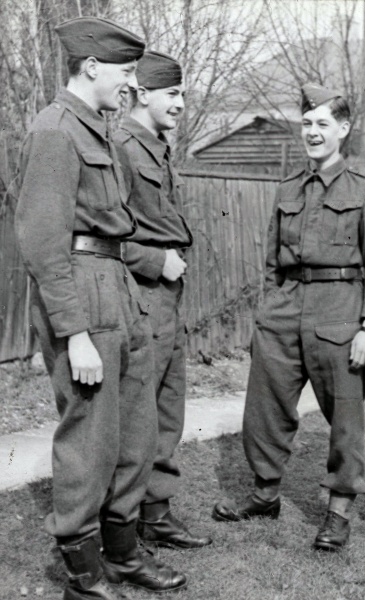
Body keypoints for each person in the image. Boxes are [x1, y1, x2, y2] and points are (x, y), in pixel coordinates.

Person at [16, 17, 187, 600]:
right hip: (82, 291)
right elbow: (42, 241)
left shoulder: (99, 130)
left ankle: (122, 555)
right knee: (90, 438)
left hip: (120, 286)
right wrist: (75, 333)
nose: (131, 84)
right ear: (91, 67)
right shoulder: (55, 130)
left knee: (135, 434)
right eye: (124, 72)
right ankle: (84, 576)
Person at [212, 83, 365, 551]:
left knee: (345, 417)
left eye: (322, 124)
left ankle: (338, 512)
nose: (312, 133)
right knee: (265, 406)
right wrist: (271, 307)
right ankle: (265, 493)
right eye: (306, 123)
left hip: (339, 308)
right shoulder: (289, 186)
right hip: (284, 307)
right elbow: (272, 261)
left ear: (344, 128)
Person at [113, 50, 211, 550]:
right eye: (172, 94)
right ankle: (123, 525)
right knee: (138, 415)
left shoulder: (155, 146)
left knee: (168, 409)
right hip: (140, 295)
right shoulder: (121, 147)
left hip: (166, 299)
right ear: (142, 93)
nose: (181, 103)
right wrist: (155, 262)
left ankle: (157, 512)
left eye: (182, 93)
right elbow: (98, 234)